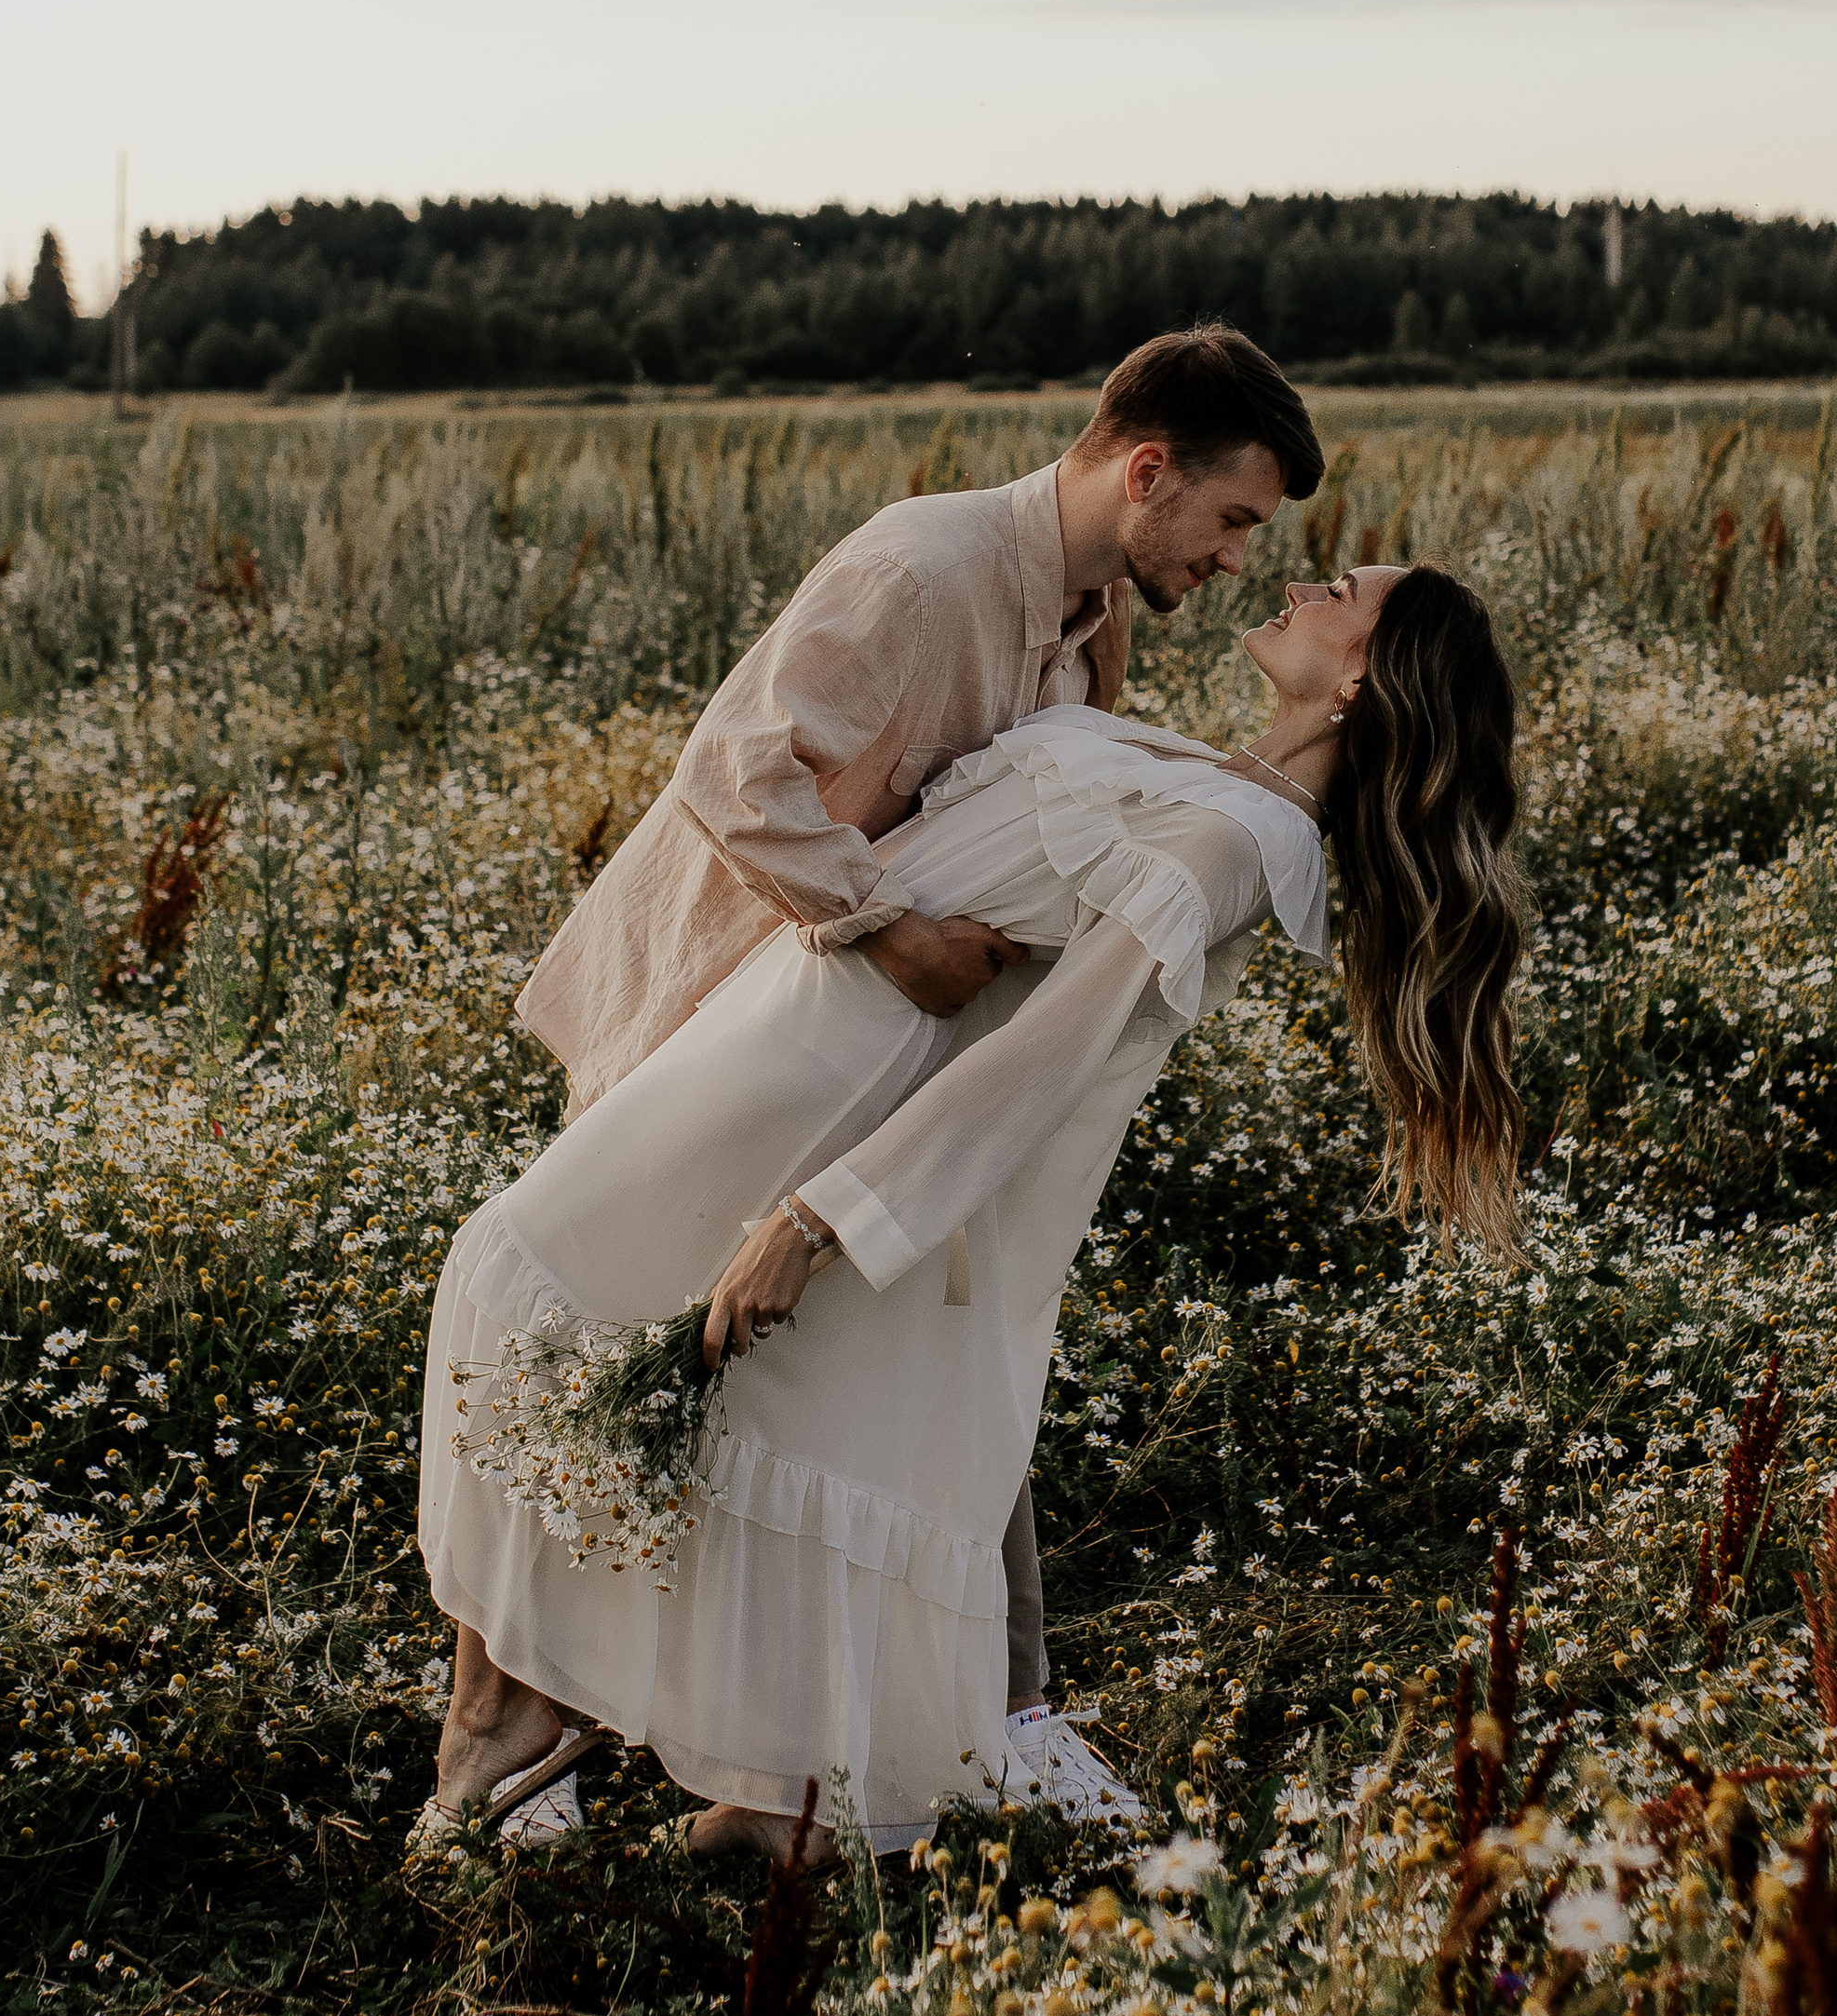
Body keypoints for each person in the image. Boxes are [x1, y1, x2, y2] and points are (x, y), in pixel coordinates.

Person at [414, 559, 1526, 1860]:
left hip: (815, 1109)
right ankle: (597, 1756)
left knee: (554, 1295)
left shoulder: (1246, 842)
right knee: (548, 1308)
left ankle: (645, 1775)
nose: (1292, 575)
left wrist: (822, 1221)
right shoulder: (1202, 768)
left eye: (1338, 587)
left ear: (1360, 678)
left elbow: (1044, 1061)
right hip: (771, 1057)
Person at [436, 330, 1324, 1838]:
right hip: (719, 1004)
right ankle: (490, 1748)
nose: (1239, 561)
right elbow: (734, 770)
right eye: (1235, 520)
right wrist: (887, 925)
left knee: (859, 1383)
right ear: (1147, 470)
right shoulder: (924, 567)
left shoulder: (1092, 613)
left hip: (855, 1055)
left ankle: (890, 1735)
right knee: (587, 1334)